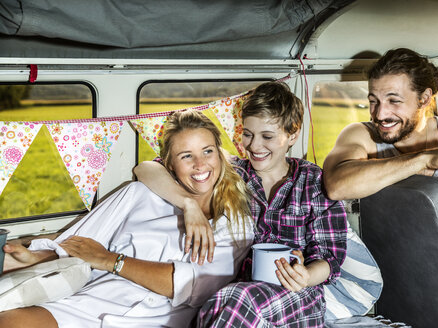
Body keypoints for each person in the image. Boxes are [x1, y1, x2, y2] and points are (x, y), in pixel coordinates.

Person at [136, 81, 381, 326]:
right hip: (242, 288)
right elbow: (147, 168)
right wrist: (188, 205)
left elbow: (329, 257)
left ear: (292, 134)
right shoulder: (232, 172)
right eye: (248, 134)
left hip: (298, 293)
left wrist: (306, 275)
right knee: (217, 303)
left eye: (267, 136)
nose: (254, 146)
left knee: (236, 299)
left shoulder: (314, 182)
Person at [0, 110, 254, 328]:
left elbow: (192, 286)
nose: (200, 164)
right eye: (186, 156)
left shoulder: (235, 223)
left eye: (207, 151)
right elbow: (78, 243)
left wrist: (111, 260)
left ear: (220, 155)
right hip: (88, 302)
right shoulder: (139, 194)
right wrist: (35, 257)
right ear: (170, 164)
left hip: (156, 319)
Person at [323, 48, 438, 202]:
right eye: (373, 101)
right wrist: (424, 161)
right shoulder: (361, 135)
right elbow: (336, 187)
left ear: (424, 98)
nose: (380, 115)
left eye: (394, 101)